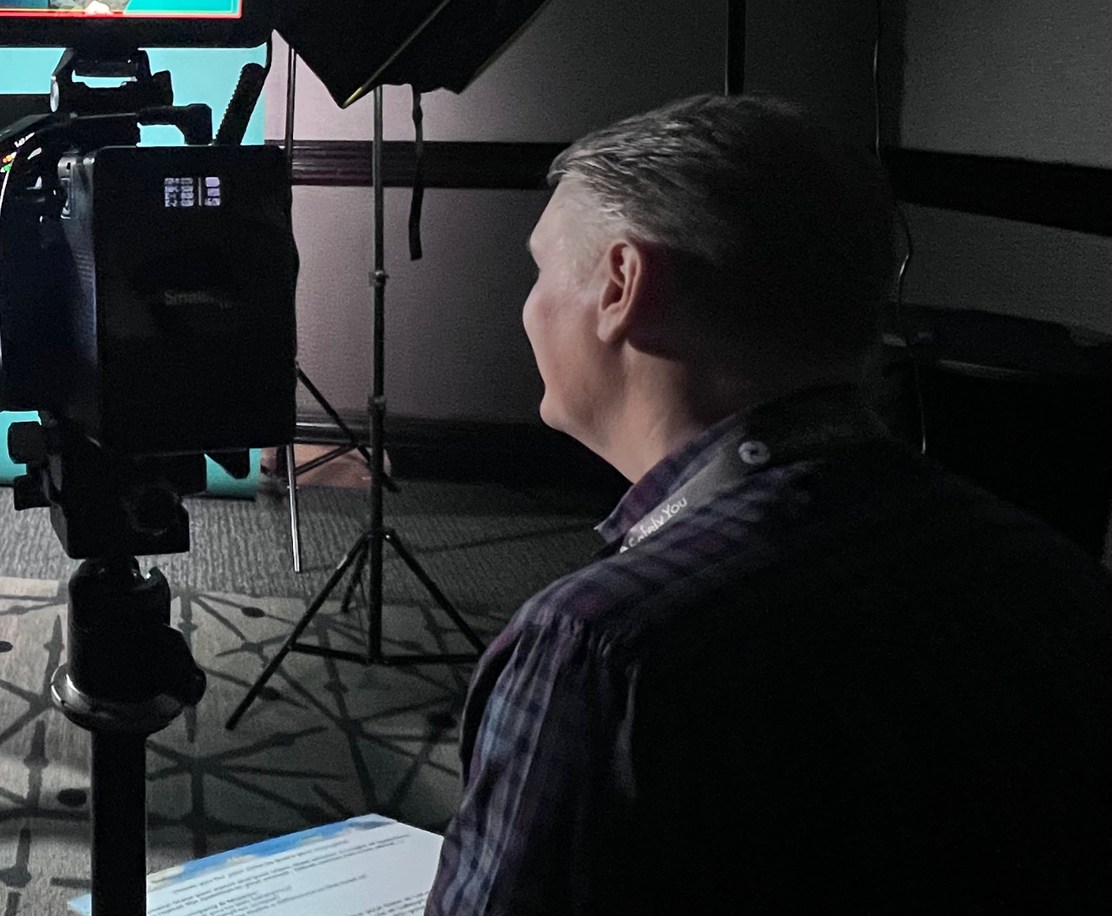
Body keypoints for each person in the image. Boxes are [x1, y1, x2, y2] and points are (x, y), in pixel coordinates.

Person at [427, 94, 1112, 915]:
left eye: (540, 268)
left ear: (621, 284)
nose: (528, 307)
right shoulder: (1054, 568)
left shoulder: (601, 653)